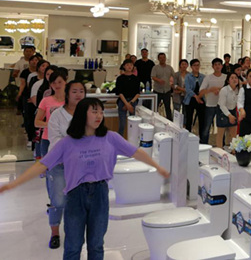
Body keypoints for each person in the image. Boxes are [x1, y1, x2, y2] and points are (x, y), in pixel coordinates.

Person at [0, 98, 169, 259]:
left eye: (101, 112)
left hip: (100, 194)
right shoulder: (67, 142)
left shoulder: (110, 137)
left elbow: (136, 152)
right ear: (82, 114)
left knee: (96, 245)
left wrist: (157, 166)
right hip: (75, 195)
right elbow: (42, 165)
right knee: (73, 246)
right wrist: (14, 183)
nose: (99, 116)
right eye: (94, 111)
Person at [45, 80, 86, 249]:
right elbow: (55, 140)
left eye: (81, 91)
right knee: (58, 200)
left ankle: (73, 232)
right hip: (59, 163)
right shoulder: (57, 115)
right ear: (67, 94)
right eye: (74, 91)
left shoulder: (88, 113)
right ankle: (55, 233)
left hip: (81, 165)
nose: (78, 94)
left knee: (77, 201)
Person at [35, 69, 68, 156]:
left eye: (60, 82)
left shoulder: (71, 101)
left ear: (65, 82)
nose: (57, 85)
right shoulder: (46, 100)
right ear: (50, 84)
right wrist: (52, 125)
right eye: (54, 83)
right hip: (48, 139)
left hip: (67, 139)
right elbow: (37, 122)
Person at [197, 58, 226, 144]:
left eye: (219, 64)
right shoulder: (208, 78)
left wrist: (219, 89)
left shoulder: (225, 77)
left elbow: (230, 88)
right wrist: (210, 90)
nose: (217, 66)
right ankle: (204, 144)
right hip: (210, 105)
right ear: (212, 66)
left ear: (222, 66)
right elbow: (201, 92)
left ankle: (221, 145)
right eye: (215, 64)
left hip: (222, 106)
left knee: (222, 127)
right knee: (207, 127)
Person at [113, 59, 141, 136]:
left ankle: (132, 140)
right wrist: (127, 104)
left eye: (131, 65)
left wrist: (130, 103)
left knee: (133, 124)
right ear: (124, 66)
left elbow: (137, 93)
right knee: (122, 124)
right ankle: (120, 140)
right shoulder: (120, 78)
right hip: (122, 101)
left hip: (133, 102)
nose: (129, 66)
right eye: (127, 65)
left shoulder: (136, 78)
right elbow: (120, 93)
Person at [216, 72, 239, 148]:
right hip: (222, 111)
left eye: (236, 78)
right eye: (232, 78)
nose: (234, 79)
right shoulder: (224, 90)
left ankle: (234, 150)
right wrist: (229, 115)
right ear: (228, 81)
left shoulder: (239, 90)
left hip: (233, 110)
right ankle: (219, 150)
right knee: (220, 134)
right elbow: (222, 105)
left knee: (233, 133)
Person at [183, 59, 205, 133]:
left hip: (201, 98)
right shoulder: (188, 76)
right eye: (194, 65)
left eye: (198, 65)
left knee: (202, 119)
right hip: (190, 99)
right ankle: (188, 135)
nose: (196, 67)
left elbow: (205, 87)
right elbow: (188, 89)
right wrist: (195, 96)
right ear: (191, 67)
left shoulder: (203, 77)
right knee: (189, 119)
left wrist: (200, 96)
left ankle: (201, 136)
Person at [151, 52, 174, 120]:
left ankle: (170, 121)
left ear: (165, 58)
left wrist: (172, 82)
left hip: (167, 90)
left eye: (164, 57)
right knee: (155, 107)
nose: (162, 59)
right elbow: (153, 77)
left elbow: (174, 76)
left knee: (168, 107)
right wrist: (159, 80)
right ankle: (154, 119)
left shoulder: (169, 67)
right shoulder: (155, 68)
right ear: (158, 59)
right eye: (160, 58)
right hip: (157, 90)